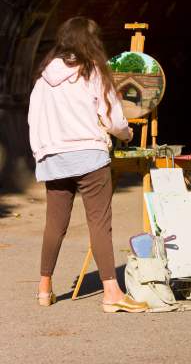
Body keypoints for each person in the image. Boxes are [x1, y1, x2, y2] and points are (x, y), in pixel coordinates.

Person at [28, 17, 148, 313]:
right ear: (90, 42)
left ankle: (45, 288)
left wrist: (41, 153)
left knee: (54, 224)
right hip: (89, 156)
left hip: (53, 157)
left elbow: (33, 119)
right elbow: (113, 118)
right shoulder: (93, 72)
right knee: (99, 223)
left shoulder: (44, 77)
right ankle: (111, 292)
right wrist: (127, 133)